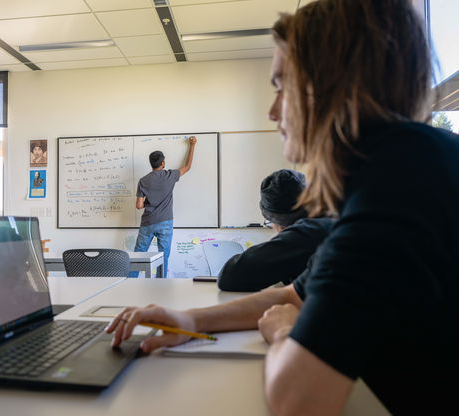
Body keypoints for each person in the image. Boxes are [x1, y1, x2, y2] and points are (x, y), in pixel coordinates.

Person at [108, 0, 459, 414]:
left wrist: (284, 333)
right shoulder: (406, 166)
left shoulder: (396, 189)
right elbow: (296, 295)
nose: (272, 111)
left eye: (280, 86)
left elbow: (297, 401)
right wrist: (190, 320)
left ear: (328, 83)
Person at [218, 169, 333, 291]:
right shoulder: (331, 222)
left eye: (270, 223)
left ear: (282, 224)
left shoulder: (306, 234)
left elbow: (229, 276)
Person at [132, 137, 197, 277]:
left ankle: (129, 283)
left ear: (151, 164)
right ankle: (161, 286)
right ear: (163, 163)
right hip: (165, 222)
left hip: (147, 223)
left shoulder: (143, 180)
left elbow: (138, 205)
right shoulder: (170, 176)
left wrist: (148, 202)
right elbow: (187, 166)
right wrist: (192, 145)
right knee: (163, 257)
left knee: (138, 257)